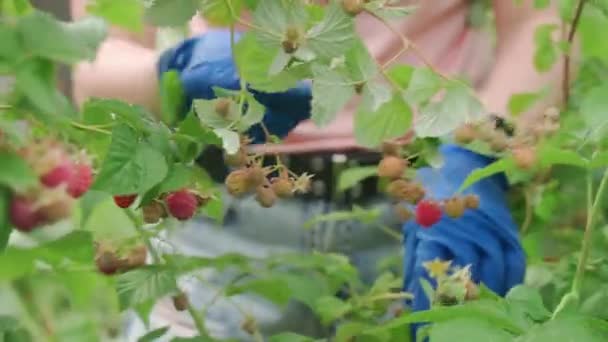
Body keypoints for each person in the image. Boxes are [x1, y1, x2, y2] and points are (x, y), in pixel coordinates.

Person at [70, 0, 563, 340]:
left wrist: (481, 153)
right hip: (223, 227)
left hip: (422, 215)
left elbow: (544, 19)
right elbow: (92, 60)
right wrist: (172, 72)